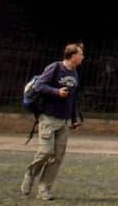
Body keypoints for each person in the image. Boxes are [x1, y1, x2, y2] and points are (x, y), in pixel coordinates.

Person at [21, 43, 85, 200]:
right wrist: (56, 91)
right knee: (46, 152)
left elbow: (72, 98)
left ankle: (44, 189)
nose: (83, 57)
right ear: (73, 55)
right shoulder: (55, 68)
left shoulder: (75, 73)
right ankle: (30, 173)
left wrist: (74, 118)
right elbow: (39, 85)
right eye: (81, 54)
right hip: (49, 118)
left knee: (57, 157)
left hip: (64, 121)